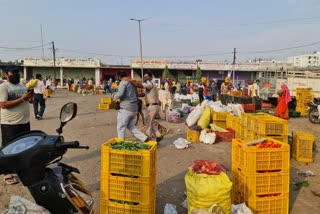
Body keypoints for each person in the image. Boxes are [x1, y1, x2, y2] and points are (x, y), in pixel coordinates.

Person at [0, 65, 34, 184]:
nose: (15, 74)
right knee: (8, 148)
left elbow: (27, 101)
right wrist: (22, 99)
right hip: (10, 123)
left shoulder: (22, 85)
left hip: (24, 122)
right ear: (6, 74)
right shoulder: (4, 87)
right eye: (12, 73)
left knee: (23, 147)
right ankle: (7, 173)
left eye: (17, 72)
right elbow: (3, 105)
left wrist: (30, 98)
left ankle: (20, 168)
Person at [112, 71, 149, 142]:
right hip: (134, 108)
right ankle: (144, 138)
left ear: (119, 77)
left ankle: (121, 143)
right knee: (130, 125)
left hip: (126, 108)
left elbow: (120, 94)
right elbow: (136, 94)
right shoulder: (132, 82)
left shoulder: (123, 82)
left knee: (120, 127)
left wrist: (113, 96)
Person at [133, 71, 163, 142]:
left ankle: (147, 139)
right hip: (151, 106)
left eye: (146, 77)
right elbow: (143, 94)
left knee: (148, 124)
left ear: (150, 77)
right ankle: (158, 135)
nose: (145, 78)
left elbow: (140, 85)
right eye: (144, 77)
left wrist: (132, 82)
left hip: (152, 106)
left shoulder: (150, 84)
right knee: (148, 122)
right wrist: (136, 95)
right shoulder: (149, 86)